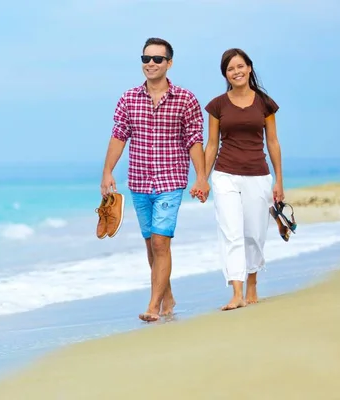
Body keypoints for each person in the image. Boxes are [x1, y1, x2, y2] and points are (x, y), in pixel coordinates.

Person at [100, 37, 209, 322]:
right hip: (139, 181)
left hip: (171, 181)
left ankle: (153, 306)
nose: (150, 63)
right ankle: (167, 297)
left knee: (161, 244)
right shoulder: (128, 98)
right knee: (151, 244)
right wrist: (107, 171)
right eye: (146, 58)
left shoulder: (186, 99)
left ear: (169, 63)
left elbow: (194, 140)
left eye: (157, 59)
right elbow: (119, 135)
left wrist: (201, 177)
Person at [203, 48, 284, 311]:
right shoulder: (217, 105)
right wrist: (202, 179)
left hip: (258, 175)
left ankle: (252, 283)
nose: (236, 72)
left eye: (240, 66)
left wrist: (279, 181)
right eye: (230, 69)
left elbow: (272, 141)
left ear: (249, 68)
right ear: (225, 74)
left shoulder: (265, 103)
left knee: (254, 234)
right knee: (231, 232)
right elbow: (212, 144)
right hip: (225, 174)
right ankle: (236, 292)